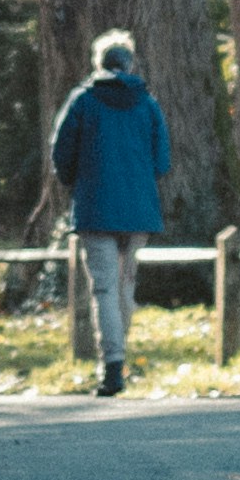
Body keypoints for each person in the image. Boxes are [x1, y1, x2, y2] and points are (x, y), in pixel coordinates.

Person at [49, 29, 171, 393]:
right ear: (130, 63)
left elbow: (60, 153)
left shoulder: (82, 100)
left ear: (98, 63)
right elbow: (162, 161)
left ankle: (113, 367)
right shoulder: (148, 104)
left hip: (97, 208)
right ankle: (119, 357)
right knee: (125, 287)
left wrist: (79, 180)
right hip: (138, 212)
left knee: (104, 289)